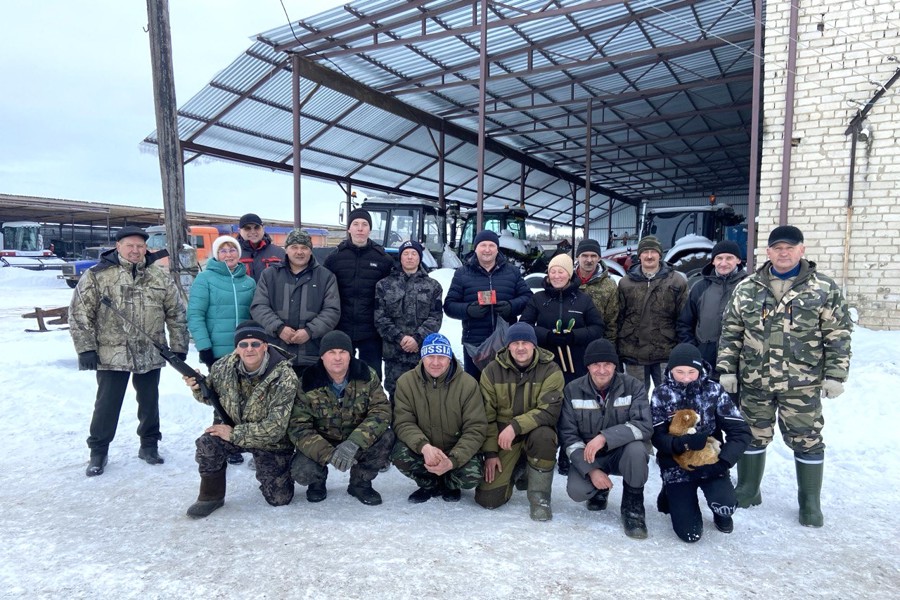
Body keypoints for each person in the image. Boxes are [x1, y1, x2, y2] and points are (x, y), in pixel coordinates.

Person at [717, 225, 852, 528]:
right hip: (755, 380)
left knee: (807, 440)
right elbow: (732, 332)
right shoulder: (749, 287)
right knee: (752, 435)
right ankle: (749, 490)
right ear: (768, 252)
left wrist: (835, 375)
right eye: (777, 247)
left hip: (801, 383)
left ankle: (809, 503)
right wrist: (727, 370)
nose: (783, 252)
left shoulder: (822, 288)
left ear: (801, 250)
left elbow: (838, 334)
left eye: (790, 247)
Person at [69, 226, 188, 477]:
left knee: (149, 401)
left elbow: (176, 313)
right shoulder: (98, 275)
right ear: (118, 247)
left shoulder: (159, 276)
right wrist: (86, 348)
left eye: (140, 246)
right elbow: (80, 313)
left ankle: (149, 445)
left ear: (146, 248)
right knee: (107, 404)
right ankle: (98, 451)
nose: (135, 250)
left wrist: (179, 346)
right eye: (129, 245)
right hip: (112, 353)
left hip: (150, 350)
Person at [183, 321, 299, 518]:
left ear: (265, 346)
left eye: (255, 344)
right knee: (207, 443)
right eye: (243, 345)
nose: (249, 349)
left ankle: (279, 470)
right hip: (234, 431)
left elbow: (275, 428)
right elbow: (209, 395)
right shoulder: (222, 367)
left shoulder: (285, 376)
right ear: (237, 348)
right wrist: (197, 386)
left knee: (279, 498)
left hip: (271, 442)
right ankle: (211, 496)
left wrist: (234, 433)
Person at [651, 343, 752, 542]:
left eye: (691, 372)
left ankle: (720, 511)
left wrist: (722, 463)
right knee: (690, 534)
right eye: (679, 372)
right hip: (676, 464)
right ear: (671, 370)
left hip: (710, 461)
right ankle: (672, 493)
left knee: (726, 504)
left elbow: (740, 432)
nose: (686, 377)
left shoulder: (714, 390)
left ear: (700, 370)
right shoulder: (661, 394)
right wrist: (682, 444)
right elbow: (656, 436)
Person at [558, 339, 652, 539]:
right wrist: (591, 471)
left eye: (607, 364)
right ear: (588, 366)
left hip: (623, 453)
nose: (602, 370)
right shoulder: (572, 390)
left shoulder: (634, 386)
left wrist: (604, 438)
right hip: (590, 456)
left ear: (615, 365)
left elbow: (643, 425)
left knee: (637, 449)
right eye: (596, 365)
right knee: (576, 491)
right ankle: (599, 490)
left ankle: (633, 508)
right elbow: (568, 436)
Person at [289, 330, 394, 505]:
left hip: (356, 437)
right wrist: (328, 454)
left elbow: (381, 411)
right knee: (302, 471)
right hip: (322, 439)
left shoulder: (366, 375)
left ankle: (360, 483)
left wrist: (354, 442)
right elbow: (298, 427)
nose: (337, 358)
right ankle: (317, 483)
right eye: (331, 352)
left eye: (343, 352)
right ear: (322, 356)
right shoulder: (307, 381)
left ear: (350, 355)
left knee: (386, 437)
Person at [476, 322, 564, 521]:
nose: (521, 348)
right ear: (508, 346)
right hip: (504, 439)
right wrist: (490, 453)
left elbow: (549, 411)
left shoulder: (551, 370)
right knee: (488, 500)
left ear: (534, 345)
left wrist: (515, 426)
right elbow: (486, 416)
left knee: (545, 435)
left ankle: (540, 498)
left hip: (534, 433)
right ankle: (519, 468)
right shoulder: (491, 371)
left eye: (526, 342)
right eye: (515, 343)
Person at [391, 333, 488, 503]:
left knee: (472, 474)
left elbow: (476, 427)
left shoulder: (468, 384)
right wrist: (424, 447)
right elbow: (403, 422)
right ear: (422, 358)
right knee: (400, 454)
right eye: (430, 356)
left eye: (441, 357)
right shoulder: (405, 383)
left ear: (449, 358)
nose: (435, 362)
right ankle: (429, 484)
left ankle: (450, 484)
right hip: (423, 450)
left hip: (455, 449)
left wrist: (453, 460)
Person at [188, 234, 257, 465]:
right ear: (216, 254)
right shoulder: (205, 279)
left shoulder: (248, 281)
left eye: (232, 250)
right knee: (222, 397)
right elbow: (195, 314)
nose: (228, 254)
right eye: (223, 250)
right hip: (218, 350)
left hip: (246, 351)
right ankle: (224, 441)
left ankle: (243, 437)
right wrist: (204, 346)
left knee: (246, 395)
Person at [251, 228, 341, 378]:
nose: (299, 252)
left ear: (311, 251)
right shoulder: (270, 275)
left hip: (312, 355)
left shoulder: (326, 277)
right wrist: (278, 328)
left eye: (304, 248)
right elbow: (259, 306)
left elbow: (332, 310)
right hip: (276, 355)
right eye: (294, 247)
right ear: (286, 250)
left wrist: (309, 331)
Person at [443, 230, 533, 379]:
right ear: (476, 248)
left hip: (507, 343)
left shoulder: (512, 272)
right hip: (475, 344)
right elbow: (449, 306)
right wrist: (468, 310)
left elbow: (528, 298)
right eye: (482, 245)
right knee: (475, 388)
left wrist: (511, 306)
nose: (487, 249)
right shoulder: (462, 274)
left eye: (491, 245)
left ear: (497, 249)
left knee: (506, 387)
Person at [323, 208, 394, 381]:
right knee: (341, 375)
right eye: (355, 224)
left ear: (370, 229)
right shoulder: (334, 259)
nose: (360, 228)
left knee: (372, 376)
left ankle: (373, 406)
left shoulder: (383, 259)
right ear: (349, 229)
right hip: (342, 327)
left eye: (364, 224)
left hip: (371, 330)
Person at [520, 253, 605, 384]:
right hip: (545, 361)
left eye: (561, 271)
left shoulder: (583, 299)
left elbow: (597, 328)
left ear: (569, 274)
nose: (556, 276)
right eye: (552, 272)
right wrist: (546, 335)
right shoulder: (538, 298)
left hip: (576, 362)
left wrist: (574, 336)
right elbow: (524, 326)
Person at [617, 235, 688, 392]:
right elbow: (619, 317)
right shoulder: (625, 282)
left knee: (670, 398)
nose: (649, 256)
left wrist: (682, 348)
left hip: (666, 351)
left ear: (660, 255)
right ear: (640, 255)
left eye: (653, 252)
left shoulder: (676, 281)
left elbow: (684, 318)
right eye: (645, 252)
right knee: (636, 399)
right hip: (633, 352)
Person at [374, 239, 443, 399]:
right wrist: (400, 338)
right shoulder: (384, 285)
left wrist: (417, 339)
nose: (410, 257)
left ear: (419, 257)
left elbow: (436, 317)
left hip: (422, 353)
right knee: (397, 395)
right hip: (394, 354)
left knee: (424, 396)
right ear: (400, 257)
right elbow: (380, 317)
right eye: (406, 254)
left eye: (414, 253)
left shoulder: (433, 286)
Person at [676, 240, 748, 378]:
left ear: (738, 260)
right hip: (706, 362)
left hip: (739, 364)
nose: (723, 263)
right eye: (719, 258)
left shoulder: (749, 287)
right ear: (713, 261)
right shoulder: (700, 287)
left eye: (729, 258)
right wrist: (696, 351)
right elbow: (684, 323)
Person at [573, 238, 619, 344]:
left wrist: (608, 347)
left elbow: (612, 322)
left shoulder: (609, 286)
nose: (589, 260)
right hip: (571, 343)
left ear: (599, 258)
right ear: (577, 257)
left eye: (593, 256)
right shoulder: (567, 280)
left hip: (597, 344)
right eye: (584, 255)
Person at [236, 213, 285, 282]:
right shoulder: (232, 254)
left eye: (257, 227)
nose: (253, 232)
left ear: (263, 228)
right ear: (239, 231)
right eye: (247, 228)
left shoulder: (279, 253)